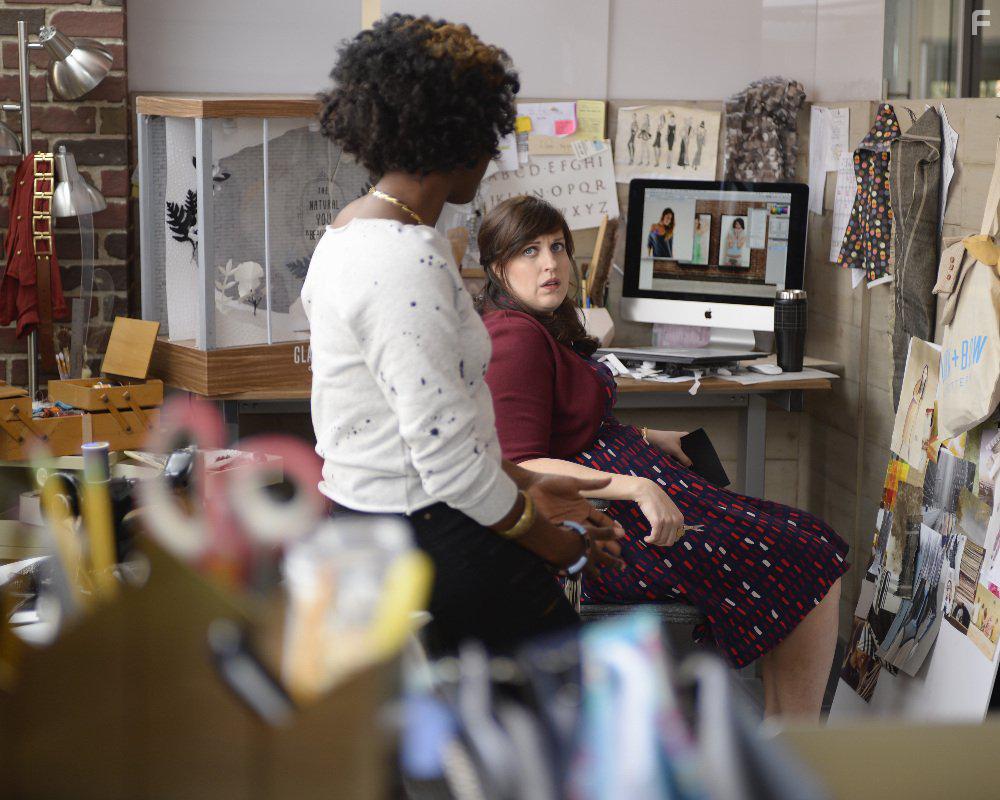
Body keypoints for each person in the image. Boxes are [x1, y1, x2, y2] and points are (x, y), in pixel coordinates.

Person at [305, 15, 622, 656]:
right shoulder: (405, 257)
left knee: (477, 740)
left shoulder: (347, 234)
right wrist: (556, 545)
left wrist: (525, 482)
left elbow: (422, 429)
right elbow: (443, 462)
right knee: (577, 727)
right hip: (431, 537)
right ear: (463, 134)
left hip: (380, 527)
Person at [476, 196, 848, 720]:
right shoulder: (513, 338)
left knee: (809, 545)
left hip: (621, 506)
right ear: (498, 267)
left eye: (558, 247)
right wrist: (637, 486)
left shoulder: (539, 326)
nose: (550, 264)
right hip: (602, 533)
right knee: (808, 554)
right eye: (529, 251)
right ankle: (795, 745)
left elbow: (569, 426)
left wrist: (647, 436)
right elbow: (524, 465)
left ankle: (788, 742)